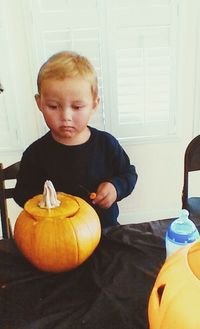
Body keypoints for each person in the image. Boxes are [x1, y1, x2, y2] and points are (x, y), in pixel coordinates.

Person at [14, 50, 138, 229]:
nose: (66, 116)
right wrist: (45, 200)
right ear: (40, 103)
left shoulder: (106, 144)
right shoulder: (35, 154)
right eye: (53, 106)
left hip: (105, 232)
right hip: (53, 236)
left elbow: (128, 174)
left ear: (94, 104)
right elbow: (21, 195)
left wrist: (115, 187)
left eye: (77, 106)